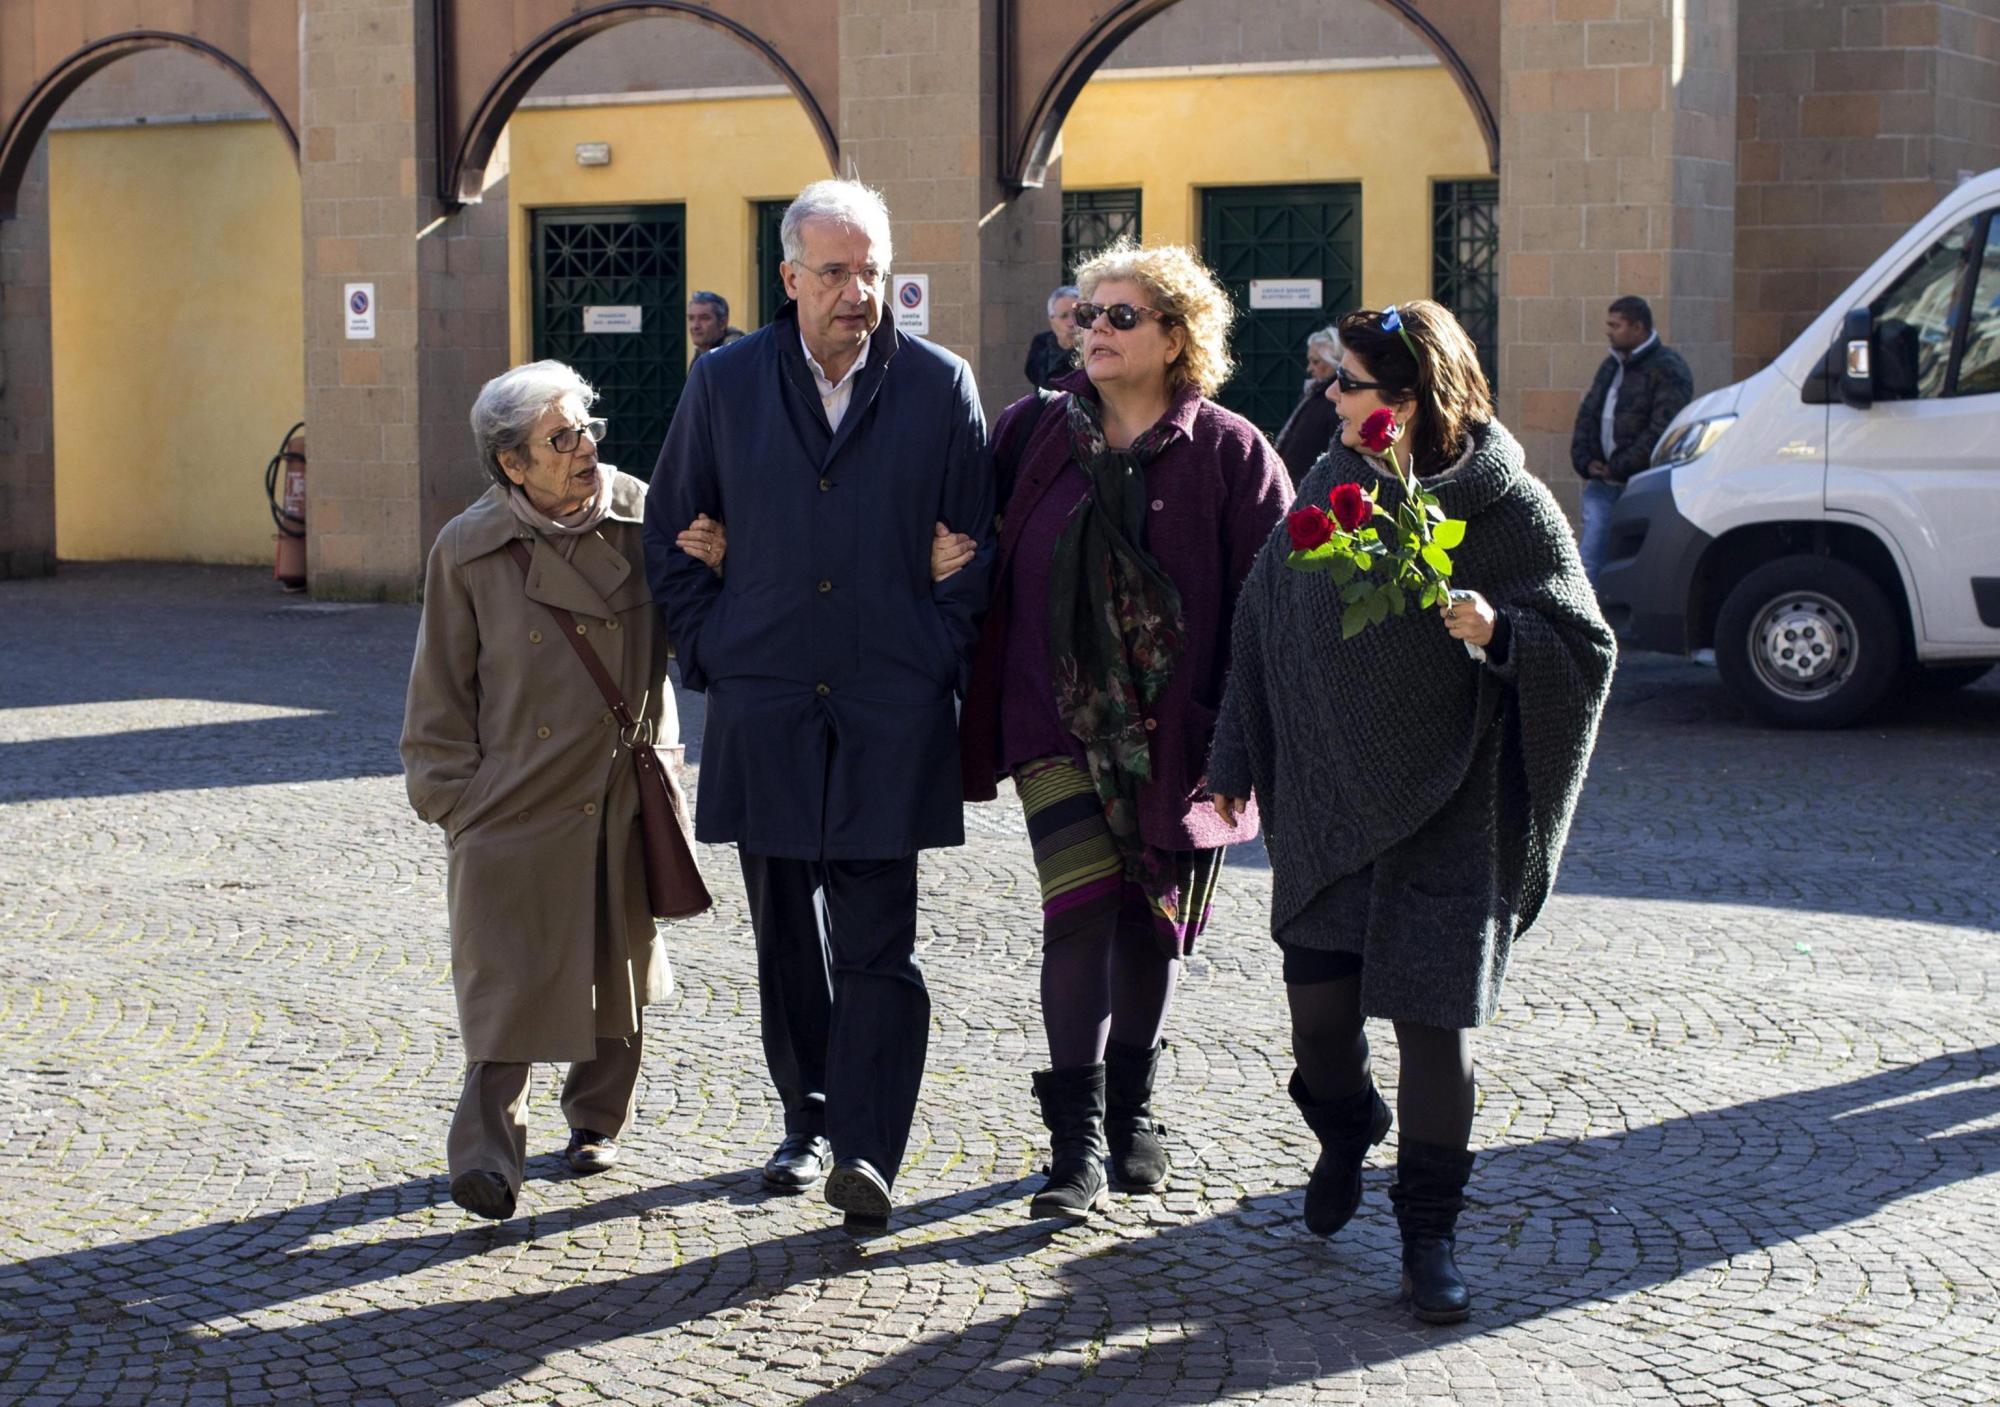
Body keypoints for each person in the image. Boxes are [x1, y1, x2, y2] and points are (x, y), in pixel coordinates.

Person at [1208, 299, 1615, 1322]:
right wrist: (1232, 760)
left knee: (1438, 1034)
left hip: (1454, 808)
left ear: (1405, 399)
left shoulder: (1507, 506)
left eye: (1342, 383)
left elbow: (1584, 646)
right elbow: (1259, 624)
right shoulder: (1330, 486)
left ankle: (1427, 1238)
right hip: (1329, 807)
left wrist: (1499, 629)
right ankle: (1343, 1127)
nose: (1327, 396)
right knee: (1320, 1035)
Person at [644, 179, 994, 1234]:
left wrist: (931, 649)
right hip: (768, 703)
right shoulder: (727, 382)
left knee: (880, 941)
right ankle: (804, 1119)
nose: (858, 293)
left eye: (872, 271)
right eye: (835, 273)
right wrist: (713, 649)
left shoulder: (939, 386)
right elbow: (671, 535)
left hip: (890, 705)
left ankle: (869, 1151)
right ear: (788, 278)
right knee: (785, 933)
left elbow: (975, 553)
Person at [956, 240, 1292, 1221]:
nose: (1092, 330)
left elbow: (1266, 606)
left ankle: (1132, 1110)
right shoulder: (1030, 433)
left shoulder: (1230, 452)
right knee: (1079, 913)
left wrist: (1245, 743)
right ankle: (1074, 1146)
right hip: (1051, 724)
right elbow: (970, 546)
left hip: (1186, 739)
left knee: (1152, 927)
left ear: (1176, 337)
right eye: (1086, 314)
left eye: (1119, 317)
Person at [402, 360, 696, 1222]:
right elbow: (440, 688)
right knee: (507, 979)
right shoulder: (468, 545)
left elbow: (703, 622)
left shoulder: (646, 515)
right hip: (509, 800)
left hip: (618, 788)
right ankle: (488, 1154)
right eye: (559, 439)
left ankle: (598, 1116)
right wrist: (453, 797)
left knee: (619, 965)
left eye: (585, 428)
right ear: (512, 465)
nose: (585, 449)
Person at [1568, 295, 1692, 585]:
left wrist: (1620, 466)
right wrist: (1586, 461)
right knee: (1589, 557)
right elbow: (1588, 415)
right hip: (1602, 483)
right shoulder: (1610, 365)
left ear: (1638, 328)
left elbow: (1661, 429)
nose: (1609, 331)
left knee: (1637, 562)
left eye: (1616, 325)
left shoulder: (1668, 367)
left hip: (1642, 485)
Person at [1272, 325, 1342, 478]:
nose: (1309, 368)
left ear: (1334, 361)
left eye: (1315, 362)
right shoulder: (1314, 392)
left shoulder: (1336, 398)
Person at [1023, 284, 1082, 390]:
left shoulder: (1092, 345)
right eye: (1064, 316)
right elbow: (1036, 377)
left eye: (1076, 314)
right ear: (1052, 320)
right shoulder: (1041, 343)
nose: (1072, 322)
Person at [688, 291, 745, 360]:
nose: (695, 326)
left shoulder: (735, 356)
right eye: (691, 318)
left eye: (704, 318)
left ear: (722, 323)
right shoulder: (701, 354)